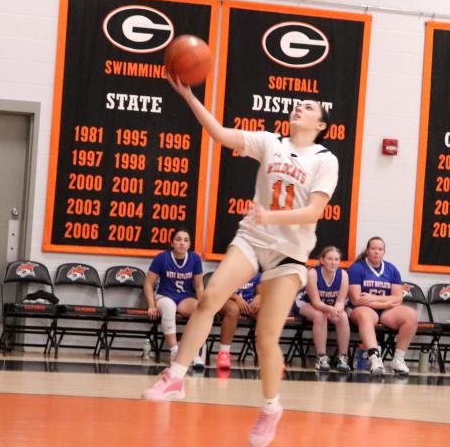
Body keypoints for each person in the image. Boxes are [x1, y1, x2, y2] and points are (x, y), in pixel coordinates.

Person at [143, 80, 339, 447]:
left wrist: (272, 218)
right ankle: (176, 376)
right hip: (253, 238)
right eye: (297, 105)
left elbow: (314, 210)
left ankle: (270, 407)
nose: (299, 108)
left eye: (309, 107)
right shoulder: (270, 142)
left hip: (290, 252)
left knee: (266, 338)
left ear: (321, 124)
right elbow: (217, 133)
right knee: (209, 298)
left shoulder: (325, 159)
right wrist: (187, 94)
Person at [348, 237, 418, 376]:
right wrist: (387, 302)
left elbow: (398, 299)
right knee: (365, 315)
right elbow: (356, 299)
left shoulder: (391, 269)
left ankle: (398, 359)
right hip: (361, 309)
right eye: (373, 248)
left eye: (380, 249)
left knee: (411, 315)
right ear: (367, 250)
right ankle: (375, 359)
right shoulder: (357, 268)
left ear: (384, 252)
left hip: (385, 310)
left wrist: (374, 298)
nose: (376, 252)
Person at [144, 230, 204, 366]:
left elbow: (199, 286)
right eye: (178, 239)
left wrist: (202, 304)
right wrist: (151, 305)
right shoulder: (161, 258)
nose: (182, 243)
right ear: (172, 243)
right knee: (169, 307)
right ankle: (175, 350)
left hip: (185, 298)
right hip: (164, 296)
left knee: (200, 311)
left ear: (190, 244)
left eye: (186, 240)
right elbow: (148, 283)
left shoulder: (195, 259)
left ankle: (192, 352)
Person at [295, 246, 351, 372]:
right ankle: (321, 357)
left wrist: (335, 310)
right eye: (330, 259)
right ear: (322, 260)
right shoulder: (312, 273)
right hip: (306, 303)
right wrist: (329, 309)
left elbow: (341, 301)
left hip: (328, 306)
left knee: (342, 316)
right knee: (320, 315)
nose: (333, 262)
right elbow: (315, 302)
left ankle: (343, 357)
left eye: (336, 259)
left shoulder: (343, 275)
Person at [216, 273, 261, 369]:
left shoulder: (256, 269)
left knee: (264, 313)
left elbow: (259, 292)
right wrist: (236, 298)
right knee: (233, 310)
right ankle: (224, 353)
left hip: (247, 302)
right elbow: (220, 290)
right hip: (226, 299)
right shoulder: (230, 265)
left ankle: (268, 355)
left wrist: (259, 297)